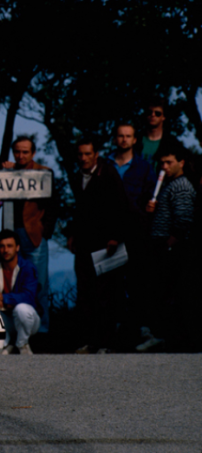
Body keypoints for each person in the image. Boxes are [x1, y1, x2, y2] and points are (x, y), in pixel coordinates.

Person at [67, 137, 129, 354]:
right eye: (80, 154)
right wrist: (72, 234)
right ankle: (89, 340)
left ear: (96, 155)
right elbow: (78, 210)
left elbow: (121, 206)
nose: (83, 158)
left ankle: (107, 342)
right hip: (84, 245)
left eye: (87, 154)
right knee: (85, 294)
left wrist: (115, 237)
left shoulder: (109, 174)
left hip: (105, 245)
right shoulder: (77, 177)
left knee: (106, 294)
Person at [106, 123, 157, 349]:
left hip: (136, 234)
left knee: (138, 284)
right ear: (115, 139)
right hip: (108, 234)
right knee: (111, 285)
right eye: (120, 136)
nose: (124, 140)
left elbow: (151, 197)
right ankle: (114, 333)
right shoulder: (105, 166)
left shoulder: (144, 167)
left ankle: (140, 331)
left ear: (135, 140)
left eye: (128, 136)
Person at [143, 146, 197, 351]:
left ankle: (177, 340)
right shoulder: (168, 185)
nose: (164, 167)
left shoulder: (181, 186)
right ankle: (164, 336)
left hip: (171, 249)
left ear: (181, 162)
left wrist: (168, 246)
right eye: (162, 163)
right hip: (162, 246)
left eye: (169, 162)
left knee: (172, 294)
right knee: (161, 293)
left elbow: (183, 221)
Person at [1, 136, 56, 334]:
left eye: (25, 152)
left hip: (34, 235)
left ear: (33, 153)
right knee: (14, 284)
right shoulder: (9, 172)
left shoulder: (44, 173)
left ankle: (41, 329)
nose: (21, 155)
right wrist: (7, 171)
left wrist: (44, 231)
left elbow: (52, 206)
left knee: (39, 282)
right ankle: (18, 331)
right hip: (12, 235)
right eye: (17, 151)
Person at [0, 230, 40, 355]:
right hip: (6, 319)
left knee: (22, 309)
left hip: (28, 320)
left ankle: (22, 344)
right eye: (2, 246)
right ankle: (5, 344)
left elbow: (28, 297)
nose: (6, 250)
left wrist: (4, 298)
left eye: (9, 246)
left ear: (17, 248)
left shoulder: (27, 268)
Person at [134, 98, 183, 171]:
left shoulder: (172, 143)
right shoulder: (135, 139)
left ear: (163, 117)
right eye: (149, 112)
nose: (153, 115)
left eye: (157, 113)